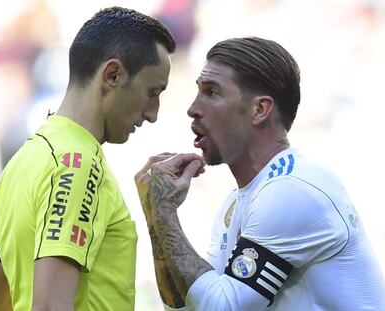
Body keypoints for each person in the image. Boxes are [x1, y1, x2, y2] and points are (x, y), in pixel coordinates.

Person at [135, 37, 385, 310]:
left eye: (211, 93)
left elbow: (221, 308)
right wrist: (154, 212)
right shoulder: (237, 203)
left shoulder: (293, 189)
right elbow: (185, 304)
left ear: (259, 109)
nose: (193, 109)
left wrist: (165, 213)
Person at [0, 6, 175, 311]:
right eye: (152, 91)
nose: (153, 113)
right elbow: (50, 307)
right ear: (112, 75)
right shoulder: (78, 164)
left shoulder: (26, 158)